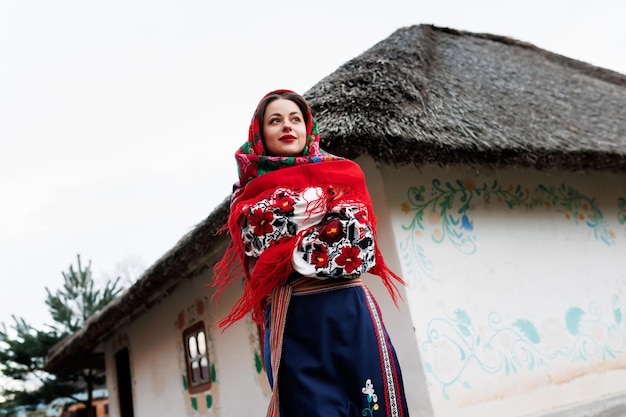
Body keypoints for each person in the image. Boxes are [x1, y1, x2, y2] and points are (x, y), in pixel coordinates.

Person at [213, 89, 410, 417]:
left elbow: (357, 246)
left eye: (295, 119)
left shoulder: (344, 174)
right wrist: (324, 212)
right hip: (293, 320)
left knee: (371, 406)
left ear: (308, 128)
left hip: (349, 315)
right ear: (260, 134)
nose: (287, 126)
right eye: (275, 121)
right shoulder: (246, 194)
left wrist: (286, 237)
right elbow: (257, 236)